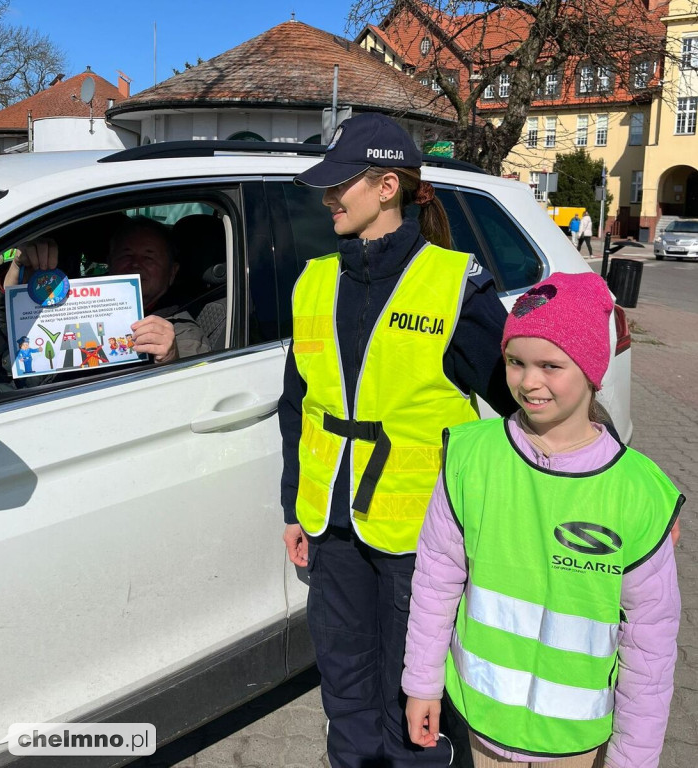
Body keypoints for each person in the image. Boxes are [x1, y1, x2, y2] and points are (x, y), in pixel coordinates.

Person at [279, 112, 517, 767]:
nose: (329, 198)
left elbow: (523, 400)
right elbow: (297, 406)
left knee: (410, 700)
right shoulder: (315, 281)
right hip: (331, 527)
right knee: (346, 693)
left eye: (341, 186)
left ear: (387, 187)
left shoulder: (451, 282)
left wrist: (610, 473)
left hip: (421, 536)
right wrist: (294, 506)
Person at [403, 271, 683, 768]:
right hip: (483, 721)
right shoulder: (472, 456)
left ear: (592, 370)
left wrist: (633, 757)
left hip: (576, 740)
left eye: (550, 365)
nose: (529, 382)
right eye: (515, 362)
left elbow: (651, 640)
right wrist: (422, 684)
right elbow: (436, 578)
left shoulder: (638, 492)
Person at [0, 217, 210, 396]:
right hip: (2, 388)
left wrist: (171, 361)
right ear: (109, 263)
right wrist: (18, 267)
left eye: (149, 256)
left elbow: (199, 394)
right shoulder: (78, 301)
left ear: (172, 272)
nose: (135, 264)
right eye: (125, 254)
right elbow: (11, 330)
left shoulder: (178, 331)